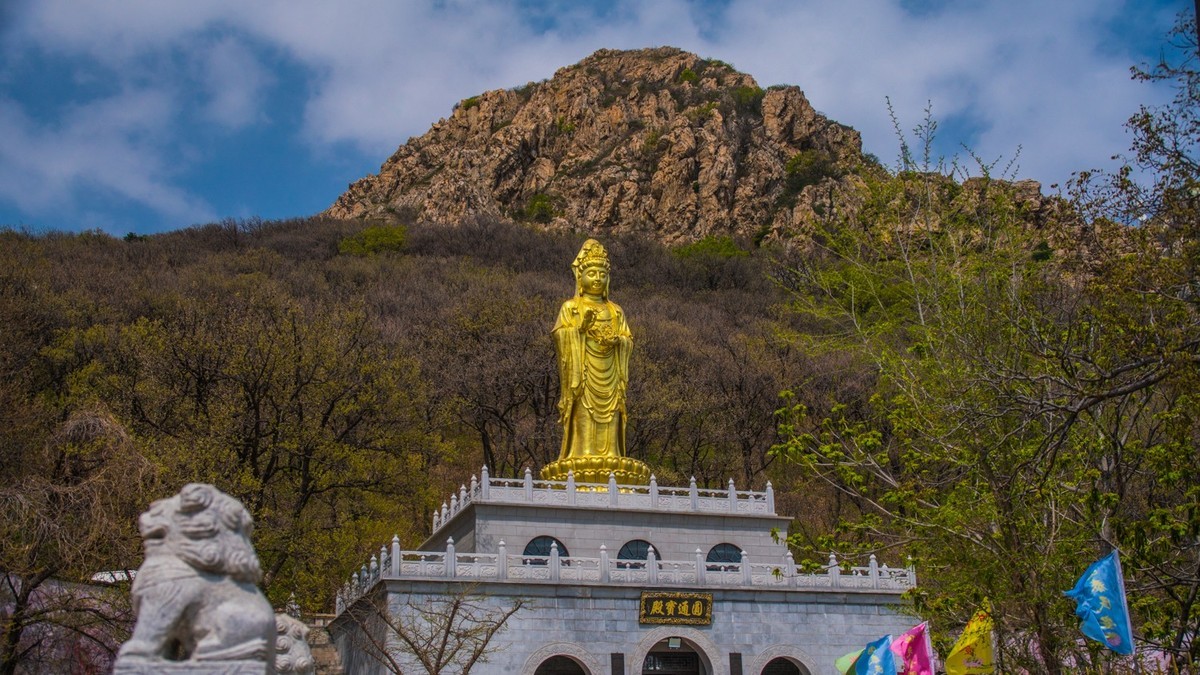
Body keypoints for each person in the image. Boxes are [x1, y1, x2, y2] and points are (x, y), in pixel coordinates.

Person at [553, 239, 632, 461]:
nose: (597, 278)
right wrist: (580, 329)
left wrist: (619, 342)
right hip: (584, 374)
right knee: (584, 411)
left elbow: (628, 339)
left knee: (613, 413)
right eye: (592, 273)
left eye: (602, 274)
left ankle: (613, 455)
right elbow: (560, 336)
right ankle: (582, 454)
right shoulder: (571, 307)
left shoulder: (616, 311)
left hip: (611, 374)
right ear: (580, 277)